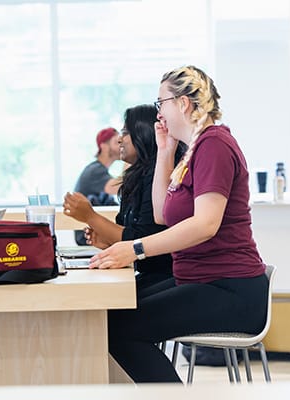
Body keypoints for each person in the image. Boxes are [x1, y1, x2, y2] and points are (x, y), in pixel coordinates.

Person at [87, 65, 268, 382]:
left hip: (229, 287)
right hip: (200, 279)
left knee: (118, 328)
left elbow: (205, 225)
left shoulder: (215, 145)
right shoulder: (193, 151)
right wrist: (165, 150)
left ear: (183, 103)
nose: (159, 113)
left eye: (161, 103)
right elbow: (161, 214)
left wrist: (136, 248)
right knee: (111, 313)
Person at [64, 104, 186, 290]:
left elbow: (142, 239)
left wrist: (90, 216)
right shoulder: (135, 177)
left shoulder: (158, 177)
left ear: (143, 134)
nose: (120, 140)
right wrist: (107, 241)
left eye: (125, 133)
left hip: (166, 276)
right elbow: (129, 234)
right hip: (148, 273)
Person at [73, 127, 121, 244]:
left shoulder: (100, 170)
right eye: (117, 142)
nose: (121, 146)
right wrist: (133, 161)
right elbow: (118, 188)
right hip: (88, 236)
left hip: (92, 233)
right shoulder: (95, 171)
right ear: (103, 146)